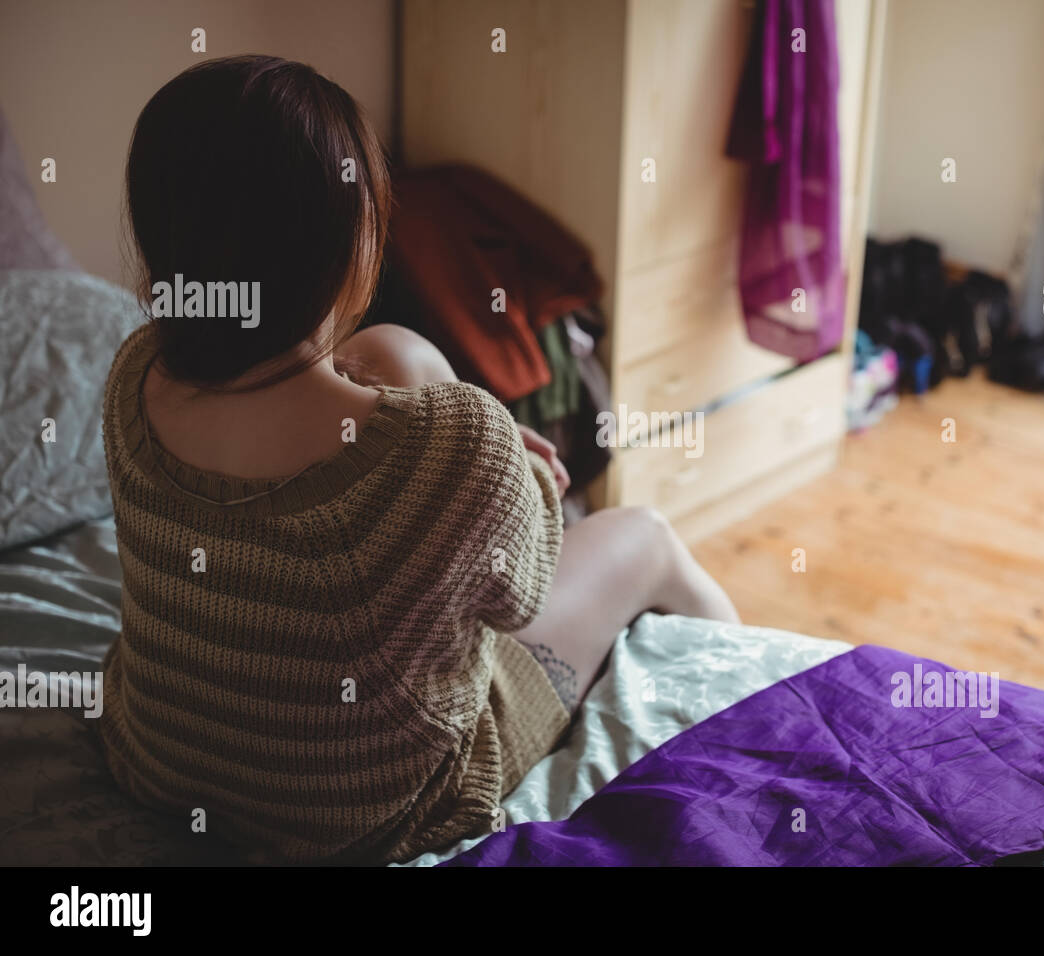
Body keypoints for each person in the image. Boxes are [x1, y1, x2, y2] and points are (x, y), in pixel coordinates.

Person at [100, 55, 738, 864]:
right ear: (347, 235)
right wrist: (522, 475)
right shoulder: (454, 449)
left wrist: (469, 449)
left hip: (160, 758)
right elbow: (520, 598)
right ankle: (764, 724)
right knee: (643, 534)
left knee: (395, 350)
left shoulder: (132, 374)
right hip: (373, 811)